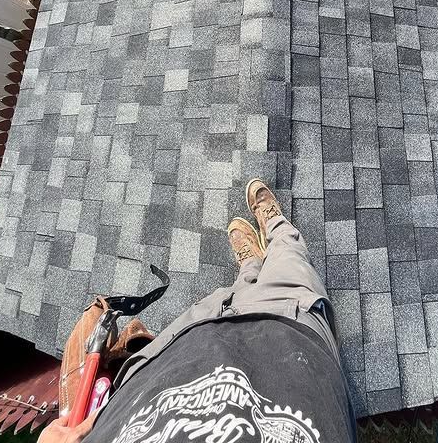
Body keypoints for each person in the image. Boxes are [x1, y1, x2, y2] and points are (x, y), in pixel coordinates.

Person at [38, 180, 357, 443]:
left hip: (183, 349)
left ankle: (249, 267)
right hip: (289, 340)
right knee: (291, 263)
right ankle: (275, 226)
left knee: (231, 294)